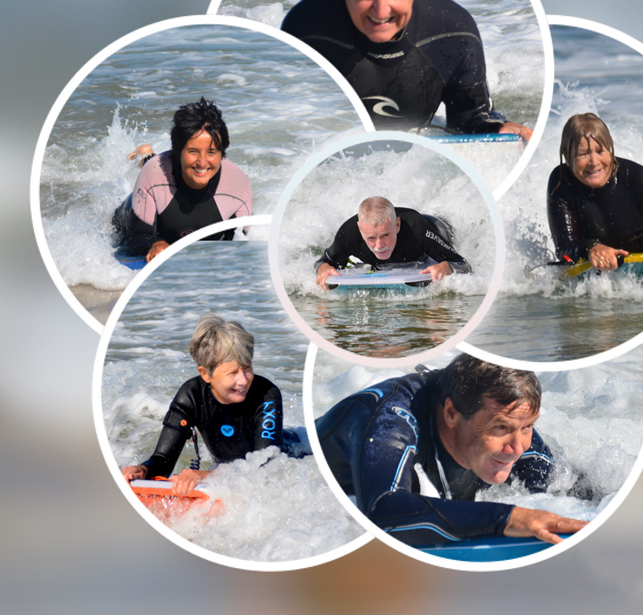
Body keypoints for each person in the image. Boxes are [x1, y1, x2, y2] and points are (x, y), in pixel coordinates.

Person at [281, 0, 532, 139]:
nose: (380, 11)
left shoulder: (453, 33)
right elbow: (284, 125)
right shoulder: (304, 30)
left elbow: (470, 120)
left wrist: (499, 129)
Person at [316, 353, 588, 546]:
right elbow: (381, 512)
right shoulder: (392, 421)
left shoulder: (510, 420)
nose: (517, 448)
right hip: (296, 462)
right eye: (501, 429)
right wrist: (505, 518)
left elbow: (566, 487)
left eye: (528, 427)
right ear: (451, 414)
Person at [121, 314, 282, 495]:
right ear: (205, 374)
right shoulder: (191, 396)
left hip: (295, 453)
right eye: (233, 372)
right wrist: (143, 470)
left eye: (247, 369)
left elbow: (266, 468)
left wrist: (206, 475)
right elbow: (162, 461)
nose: (243, 381)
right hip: (229, 472)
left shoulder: (266, 394)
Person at [547, 113, 643, 271]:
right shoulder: (561, 183)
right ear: (566, 156)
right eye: (583, 154)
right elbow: (564, 251)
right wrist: (591, 248)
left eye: (600, 151)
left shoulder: (638, 179)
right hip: (596, 274)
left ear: (610, 149)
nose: (594, 162)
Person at [112, 98, 253, 262]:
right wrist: (155, 243)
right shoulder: (153, 176)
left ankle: (150, 154)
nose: (202, 162)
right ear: (178, 151)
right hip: (133, 213)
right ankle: (147, 155)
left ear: (222, 153)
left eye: (211, 152)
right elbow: (135, 240)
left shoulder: (238, 187)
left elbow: (240, 243)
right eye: (193, 151)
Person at [315, 196, 471, 290]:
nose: (379, 245)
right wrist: (323, 268)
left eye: (385, 235)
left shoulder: (418, 231)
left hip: (436, 226)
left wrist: (446, 266)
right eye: (371, 238)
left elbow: (464, 264)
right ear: (360, 229)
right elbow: (323, 262)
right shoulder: (348, 234)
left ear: (397, 225)